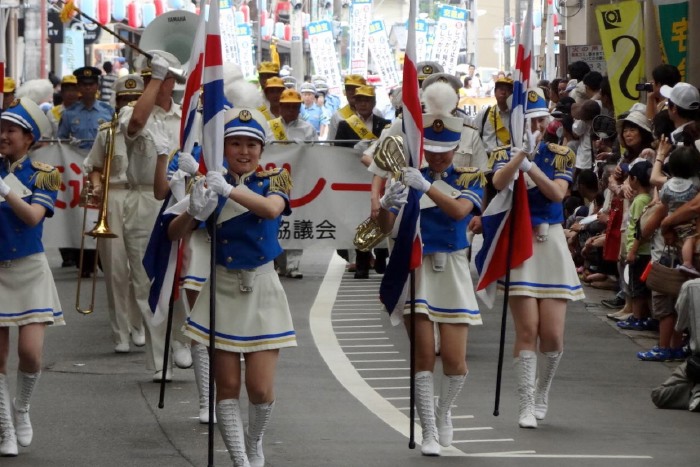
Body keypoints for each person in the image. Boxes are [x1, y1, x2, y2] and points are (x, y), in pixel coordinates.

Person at [168, 107, 296, 467]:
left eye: (251, 144)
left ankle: (254, 442)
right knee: (226, 388)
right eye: (234, 143)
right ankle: (240, 460)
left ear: (262, 150)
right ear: (222, 148)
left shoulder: (275, 180)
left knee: (259, 388)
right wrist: (194, 209)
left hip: (263, 288)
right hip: (222, 288)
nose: (243, 151)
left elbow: (271, 210)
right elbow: (172, 235)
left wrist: (227, 190)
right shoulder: (208, 185)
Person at [377, 112, 484, 456]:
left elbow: (458, 212)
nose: (437, 156)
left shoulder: (470, 177)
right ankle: (427, 430)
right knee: (423, 354)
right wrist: (386, 203)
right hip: (416, 266)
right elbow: (384, 226)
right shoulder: (410, 176)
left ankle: (443, 411)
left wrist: (426, 187)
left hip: (452, 267)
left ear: (456, 148)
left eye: (445, 150)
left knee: (455, 360)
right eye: (432, 149)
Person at [491, 101, 584, 429]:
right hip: (521, 245)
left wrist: (531, 167)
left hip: (552, 244)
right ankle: (525, 402)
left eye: (541, 119)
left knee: (553, 335)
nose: (537, 124)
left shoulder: (561, 153)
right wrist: (520, 156)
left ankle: (542, 391)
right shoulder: (503, 153)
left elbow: (558, 194)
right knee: (527, 329)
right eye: (530, 119)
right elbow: (498, 184)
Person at [0, 97, 64, 457]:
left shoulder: (44, 173)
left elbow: (33, 218)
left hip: (29, 268)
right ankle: (4, 428)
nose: (3, 135)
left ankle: (21, 408)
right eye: (1, 129)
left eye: (11, 130)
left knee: (30, 353)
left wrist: (6, 189)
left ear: (29, 138)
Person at [120, 51, 189, 381]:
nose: (153, 84)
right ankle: (160, 359)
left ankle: (180, 339)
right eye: (149, 79)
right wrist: (156, 76)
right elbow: (135, 125)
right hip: (145, 198)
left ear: (172, 82)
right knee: (147, 279)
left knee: (184, 274)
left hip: (184, 198)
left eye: (160, 78)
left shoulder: (187, 114)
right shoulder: (131, 113)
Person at [83, 74, 146, 353]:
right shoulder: (106, 131)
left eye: (136, 99)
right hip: (115, 196)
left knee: (141, 269)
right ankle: (120, 332)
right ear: (116, 102)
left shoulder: (154, 130)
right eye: (124, 99)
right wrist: (97, 187)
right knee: (116, 270)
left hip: (142, 197)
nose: (130, 104)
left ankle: (138, 324)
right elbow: (94, 165)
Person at [270, 88, 317, 279]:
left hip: (299, 180)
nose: (290, 110)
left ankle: (294, 265)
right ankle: (279, 263)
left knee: (296, 219)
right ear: (280, 107)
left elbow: (316, 154)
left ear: (299, 108)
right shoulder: (268, 127)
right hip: (273, 181)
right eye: (287, 106)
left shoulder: (307, 129)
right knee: (276, 221)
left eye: (294, 107)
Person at [616, 161, 654, 332]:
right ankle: (642, 315)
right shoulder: (648, 199)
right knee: (639, 285)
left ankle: (638, 317)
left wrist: (632, 250)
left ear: (634, 179)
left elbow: (639, 226)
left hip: (639, 251)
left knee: (637, 287)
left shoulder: (640, 201)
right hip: (644, 251)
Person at [651, 278, 700, 411]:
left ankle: (695, 393)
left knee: (659, 395)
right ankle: (695, 392)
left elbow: (680, 325)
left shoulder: (691, 286)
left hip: (697, 360)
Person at [658, 145, 700, 276]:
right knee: (690, 239)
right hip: (689, 221)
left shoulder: (667, 185)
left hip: (672, 221)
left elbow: (663, 200)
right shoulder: (695, 182)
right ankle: (687, 263)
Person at [57, 66, 114, 150]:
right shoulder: (69, 114)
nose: (88, 87)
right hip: (75, 159)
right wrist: (69, 144)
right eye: (84, 84)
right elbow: (60, 140)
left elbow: (115, 138)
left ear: (97, 86)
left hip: (101, 159)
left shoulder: (108, 111)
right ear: (78, 87)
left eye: (91, 84)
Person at [474, 76, 513, 154]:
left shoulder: (515, 116)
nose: (504, 92)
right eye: (501, 89)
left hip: (510, 161)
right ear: (495, 92)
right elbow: (474, 138)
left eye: (508, 90)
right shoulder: (485, 113)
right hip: (487, 160)